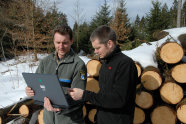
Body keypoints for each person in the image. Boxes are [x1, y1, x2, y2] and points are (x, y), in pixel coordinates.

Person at [68, 25, 138, 124]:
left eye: (98, 48)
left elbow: (118, 100)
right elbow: (103, 96)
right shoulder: (105, 63)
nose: (95, 52)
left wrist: (85, 95)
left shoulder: (125, 64)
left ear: (109, 43)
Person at [25, 25, 87, 124]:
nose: (61, 47)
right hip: (48, 120)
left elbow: (78, 98)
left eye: (65, 43)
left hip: (69, 120)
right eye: (58, 42)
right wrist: (31, 90)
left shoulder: (78, 65)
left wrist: (56, 103)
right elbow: (37, 85)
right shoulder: (45, 62)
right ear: (53, 41)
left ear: (71, 41)